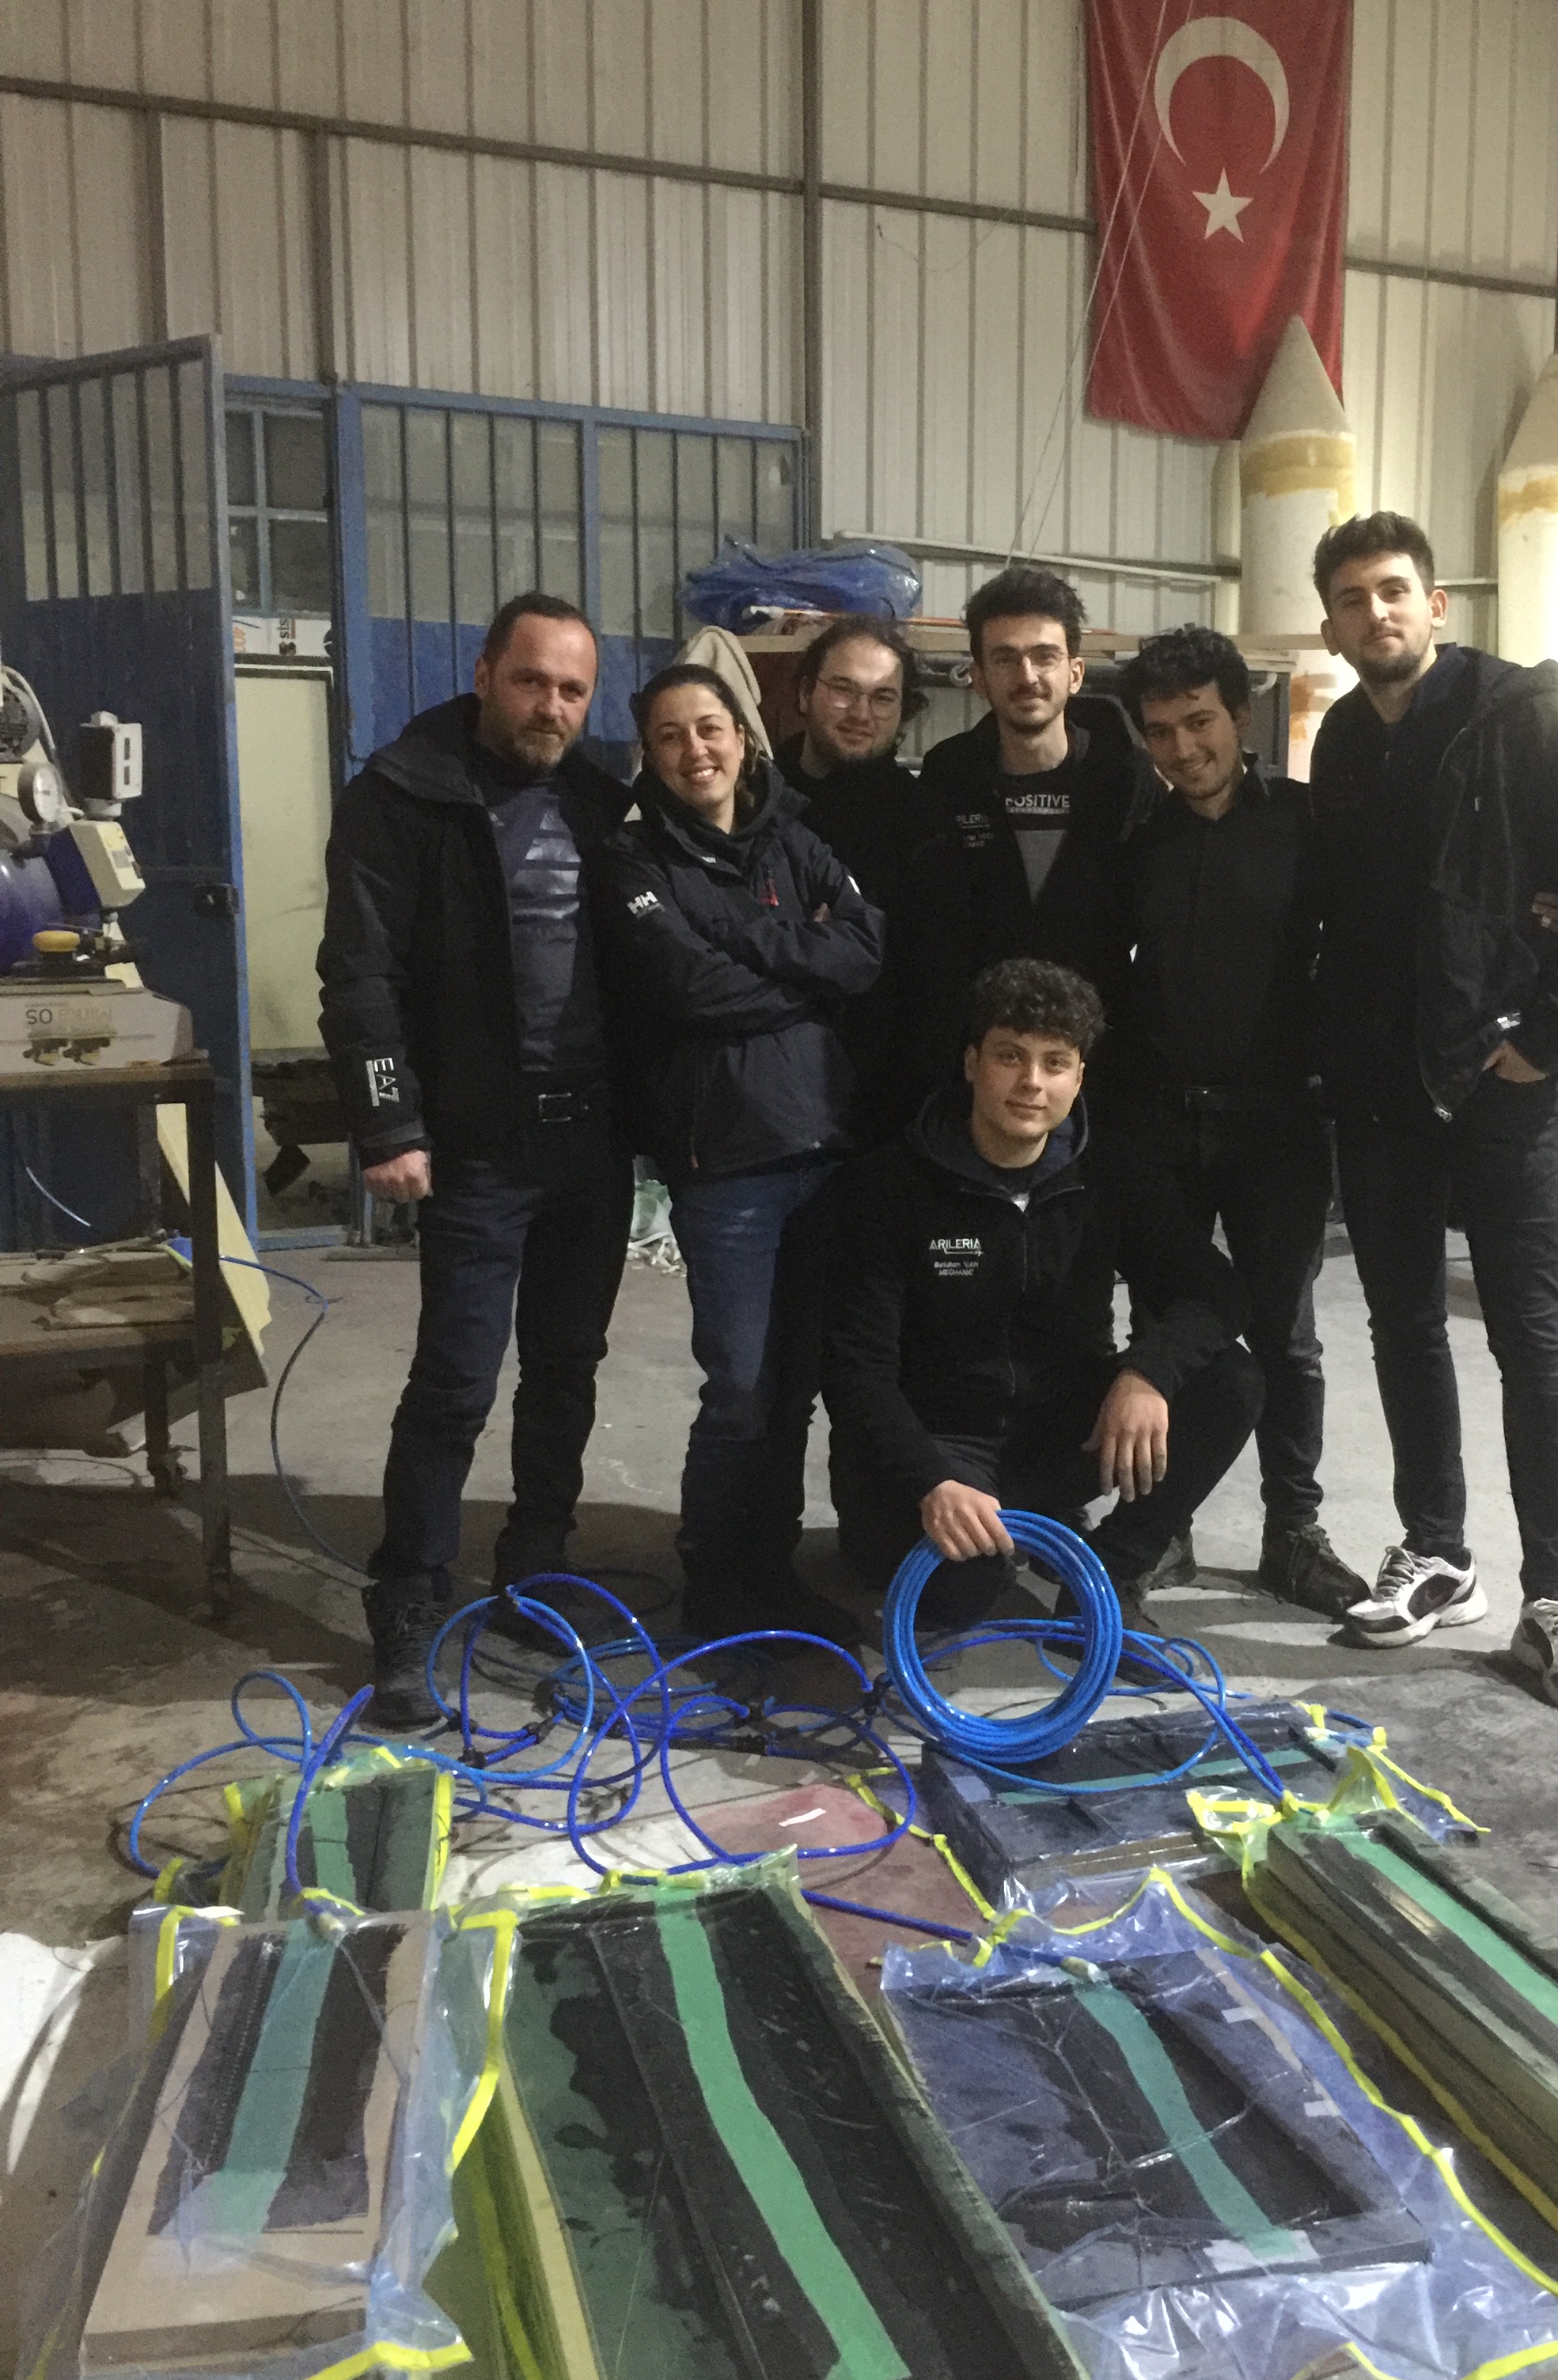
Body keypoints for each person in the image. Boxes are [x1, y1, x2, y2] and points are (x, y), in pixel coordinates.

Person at [1303, 511, 1558, 1712]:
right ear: (1331, 626)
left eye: (1394, 590)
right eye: (1353, 598)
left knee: (1531, 1343)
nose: (1376, 613)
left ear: (1437, 604)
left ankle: (1556, 1595)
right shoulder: (1344, 738)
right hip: (1382, 1092)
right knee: (1403, 1327)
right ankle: (1438, 1553)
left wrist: (1540, 1042)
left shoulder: (1525, 717)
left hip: (1502, 1089)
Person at [319, 592, 633, 1728]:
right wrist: (388, 1126)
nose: (551, 706)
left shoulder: (604, 796)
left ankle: (533, 1573)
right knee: (455, 1382)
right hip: (477, 1147)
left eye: (572, 690)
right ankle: (409, 1603)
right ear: (486, 672)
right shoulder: (401, 794)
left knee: (567, 1368)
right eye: (531, 681)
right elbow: (360, 973)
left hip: (591, 1142)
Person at [822, 957, 1264, 1634]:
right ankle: (979, 1535)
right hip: (934, 1444)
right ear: (972, 1063)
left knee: (1231, 1381)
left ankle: (1111, 1575)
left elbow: (1217, 1288)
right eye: (1011, 1056)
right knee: (957, 1596)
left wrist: (1147, 1373)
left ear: (1078, 1077)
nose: (1032, 1082)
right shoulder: (889, 1187)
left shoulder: (1109, 1173)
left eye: (1055, 1063)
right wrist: (931, 1482)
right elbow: (857, 1373)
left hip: (1053, 1435)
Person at [592, 661, 885, 1644]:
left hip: (822, 1150)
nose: (695, 751)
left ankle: (771, 1566)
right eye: (671, 736)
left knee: (795, 1387)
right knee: (740, 1386)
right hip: (727, 1166)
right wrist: (803, 970)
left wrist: (741, 935)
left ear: (744, 738)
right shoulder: (633, 862)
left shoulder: (793, 839)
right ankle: (715, 1577)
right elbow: (686, 988)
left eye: (710, 728)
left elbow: (863, 951)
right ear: (649, 753)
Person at [1116, 623, 1362, 1616]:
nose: (1183, 748)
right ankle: (1160, 1527)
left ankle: (1292, 1533)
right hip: (1164, 1127)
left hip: (1280, 1129)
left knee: (1285, 1337)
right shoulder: (1140, 843)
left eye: (1200, 722)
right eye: (1161, 731)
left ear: (1241, 716)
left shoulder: (1308, 826)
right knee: (1164, 1328)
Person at [889, 565, 1154, 1112]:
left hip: (1103, 1070)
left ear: (1075, 673)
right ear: (978, 676)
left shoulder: (1127, 780)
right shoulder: (948, 779)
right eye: (1005, 659)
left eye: (1044, 656)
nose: (1026, 675)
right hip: (984, 1070)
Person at [775, 615, 935, 907]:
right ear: (805, 694)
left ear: (902, 712)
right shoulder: (753, 801)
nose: (861, 714)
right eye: (843, 690)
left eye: (883, 698)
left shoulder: (923, 821)